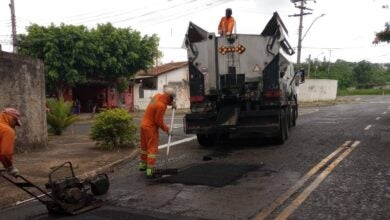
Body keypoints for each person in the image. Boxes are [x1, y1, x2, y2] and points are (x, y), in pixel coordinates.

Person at [138, 87, 176, 178]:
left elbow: (162, 101)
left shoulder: (156, 96)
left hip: (143, 125)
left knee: (144, 147)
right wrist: (167, 129)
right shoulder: (161, 106)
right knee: (152, 149)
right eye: (172, 98)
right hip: (150, 128)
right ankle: (150, 171)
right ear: (170, 97)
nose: (172, 100)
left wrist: (171, 104)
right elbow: (158, 121)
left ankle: (143, 165)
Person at [0, 108, 22, 177]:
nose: (14, 125)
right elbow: (5, 154)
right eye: (15, 121)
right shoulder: (7, 130)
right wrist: (10, 168)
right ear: (11, 117)